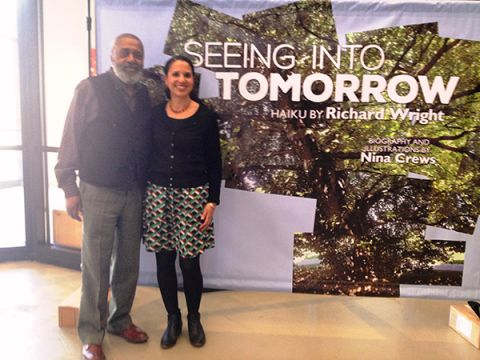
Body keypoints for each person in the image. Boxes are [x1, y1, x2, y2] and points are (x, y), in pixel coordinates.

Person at [55, 33, 151, 360]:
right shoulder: (89, 89)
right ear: (111, 56)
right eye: (124, 53)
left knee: (127, 263)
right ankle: (91, 334)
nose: (131, 59)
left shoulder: (144, 96)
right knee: (95, 265)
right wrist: (69, 187)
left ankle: (119, 320)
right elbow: (71, 137)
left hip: (134, 191)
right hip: (97, 190)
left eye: (136, 54)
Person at [142, 55, 222, 349]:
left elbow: (215, 162)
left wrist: (212, 201)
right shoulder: (153, 115)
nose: (181, 80)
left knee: (189, 263)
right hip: (158, 195)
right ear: (166, 80)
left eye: (187, 75)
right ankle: (172, 318)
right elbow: (145, 155)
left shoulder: (205, 117)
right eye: (176, 74)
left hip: (193, 197)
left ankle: (194, 318)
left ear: (192, 81)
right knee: (164, 261)